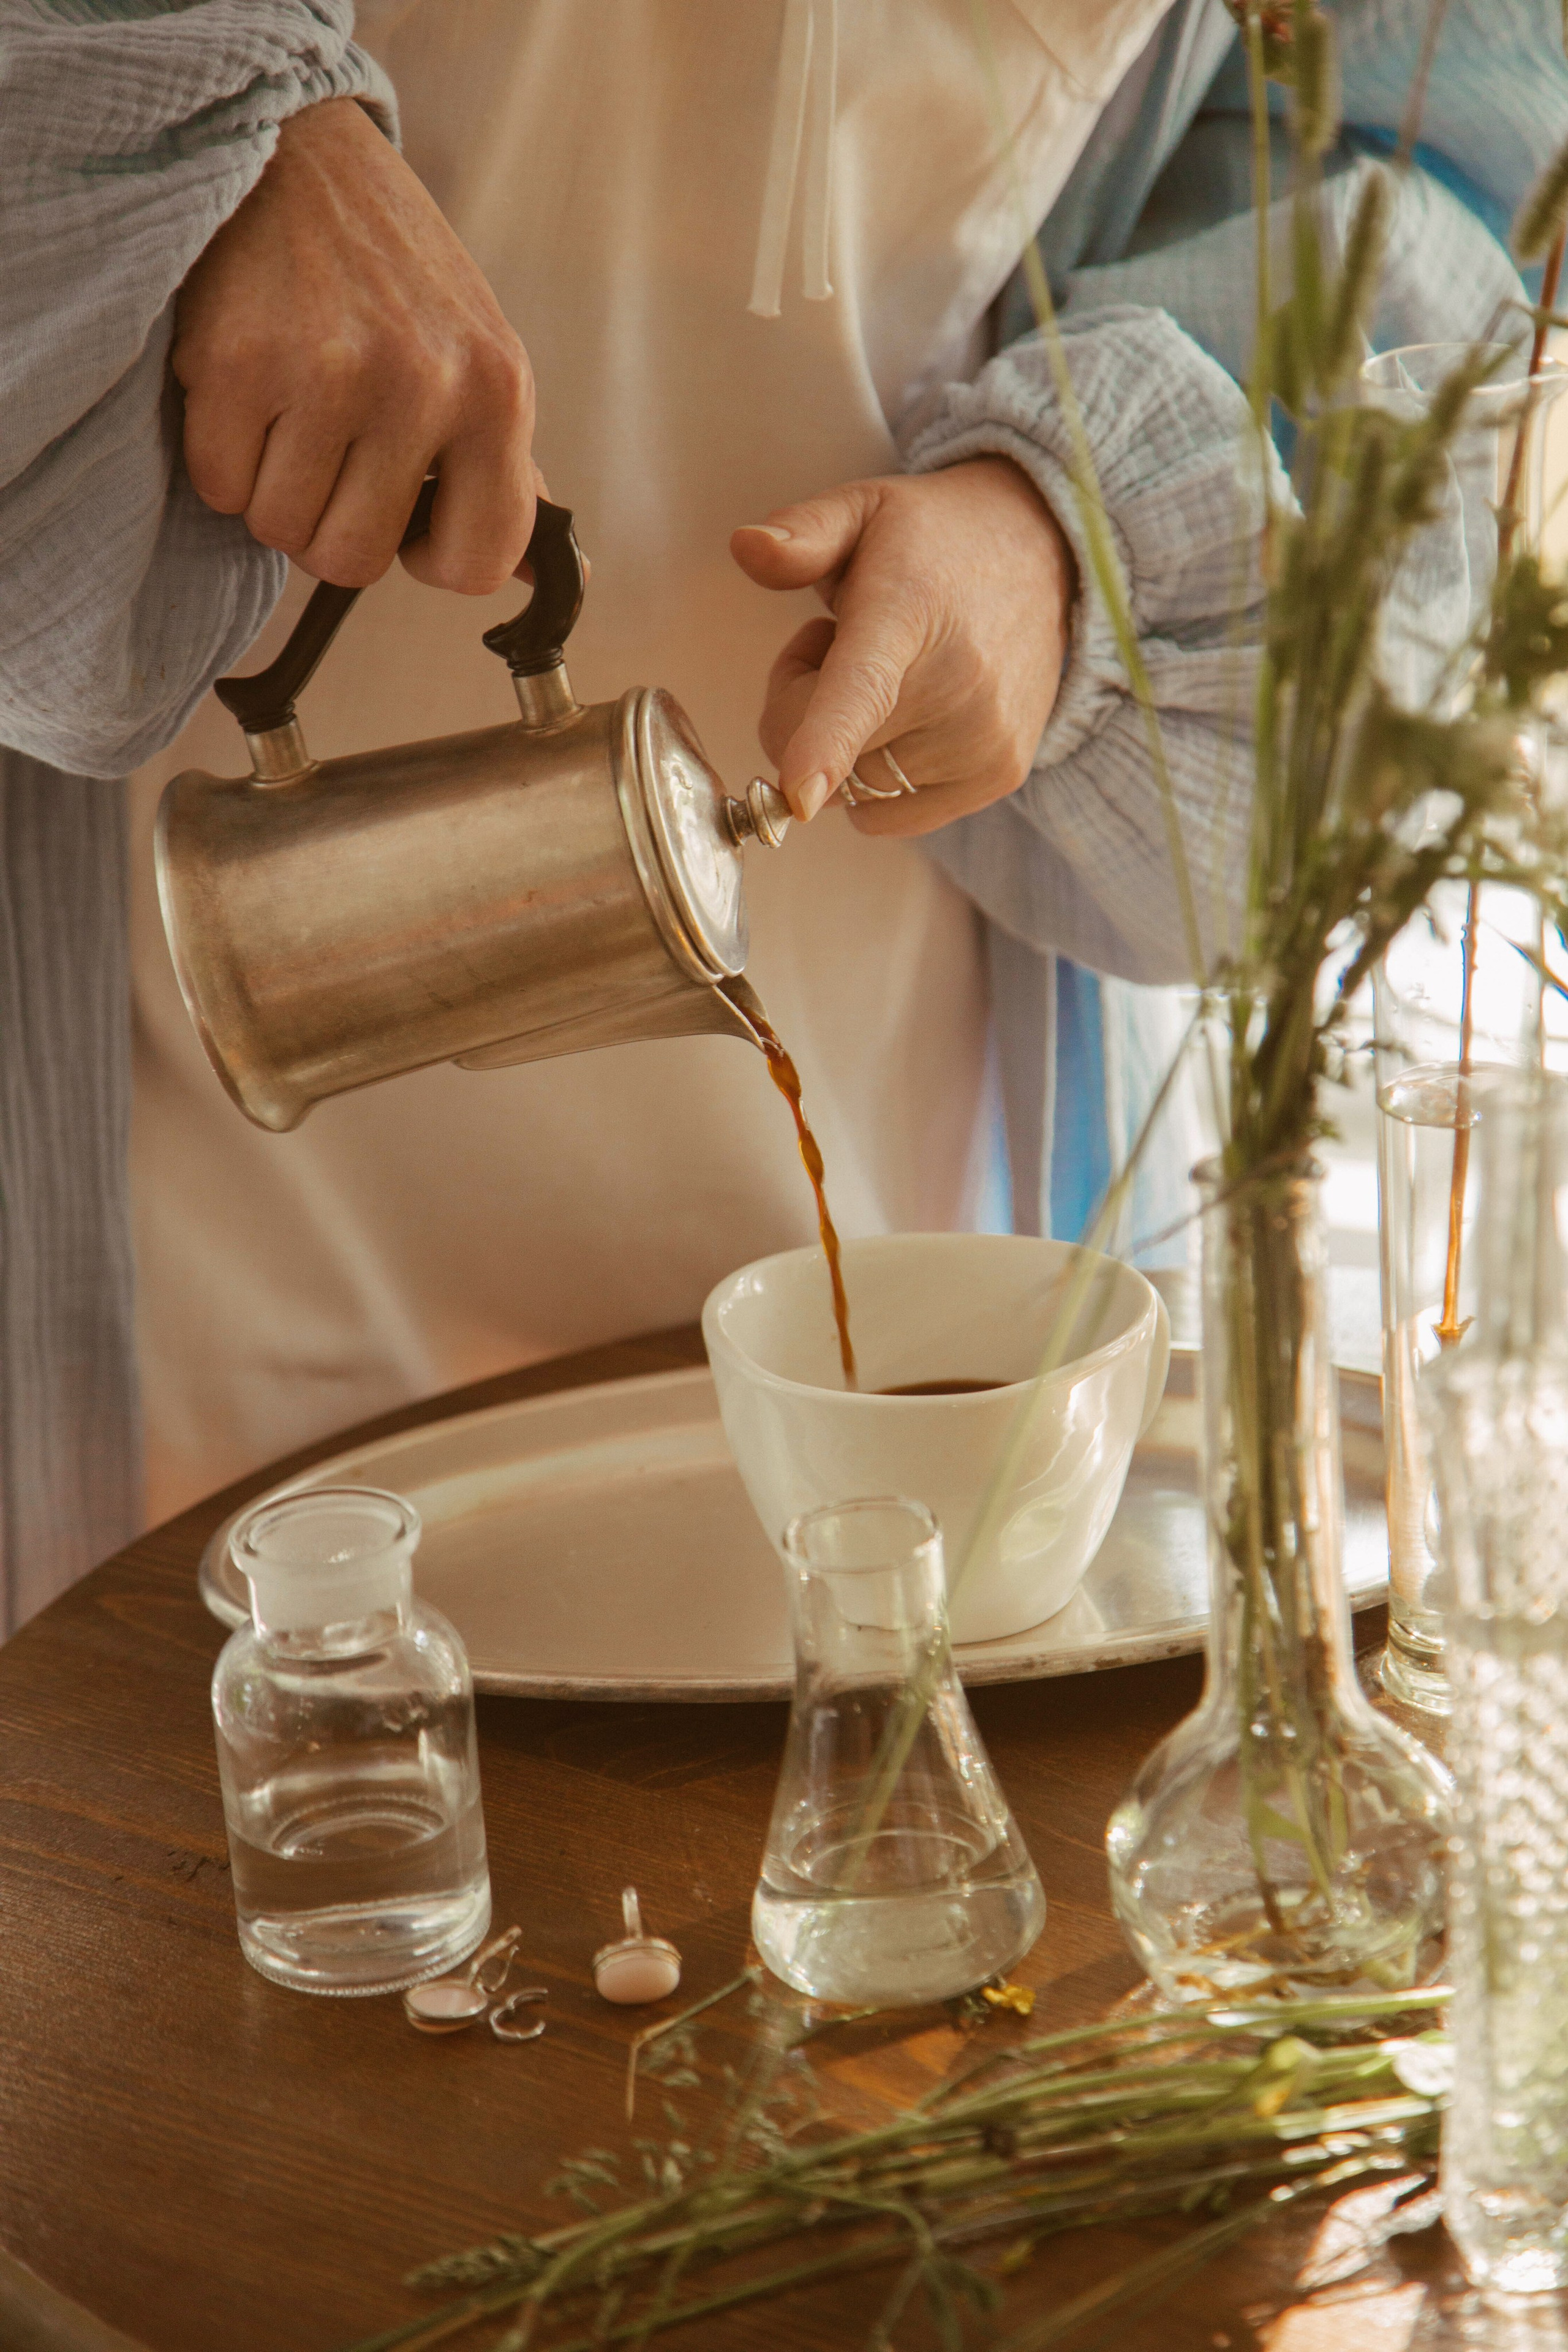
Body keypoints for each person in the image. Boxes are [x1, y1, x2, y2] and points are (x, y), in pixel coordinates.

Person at [0, 1, 1558, 1626]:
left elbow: (1419, 180)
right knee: (246, 1706)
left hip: (918, 957)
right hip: (168, 1184)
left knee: (882, 1654)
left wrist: (1063, 530)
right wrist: (210, 144)